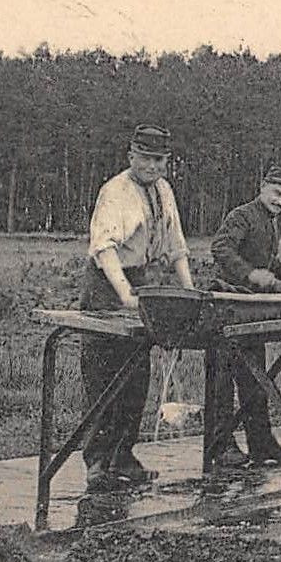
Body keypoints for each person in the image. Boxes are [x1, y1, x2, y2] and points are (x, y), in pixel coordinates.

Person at [81, 124, 194, 491]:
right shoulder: (115, 192)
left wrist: (189, 289)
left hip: (142, 281)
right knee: (104, 377)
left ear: (166, 162)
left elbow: (175, 244)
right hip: (107, 283)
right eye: (144, 158)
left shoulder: (163, 191)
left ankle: (124, 456)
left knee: (136, 379)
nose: (151, 165)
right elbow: (105, 249)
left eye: (158, 159)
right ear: (131, 156)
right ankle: (97, 462)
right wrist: (125, 292)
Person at [206, 166, 281, 469]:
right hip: (226, 305)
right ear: (262, 187)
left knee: (254, 379)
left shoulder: (270, 224)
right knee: (221, 381)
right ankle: (220, 448)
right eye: (277, 193)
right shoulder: (242, 216)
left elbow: (269, 262)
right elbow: (221, 249)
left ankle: (262, 445)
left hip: (251, 310)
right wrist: (248, 274)